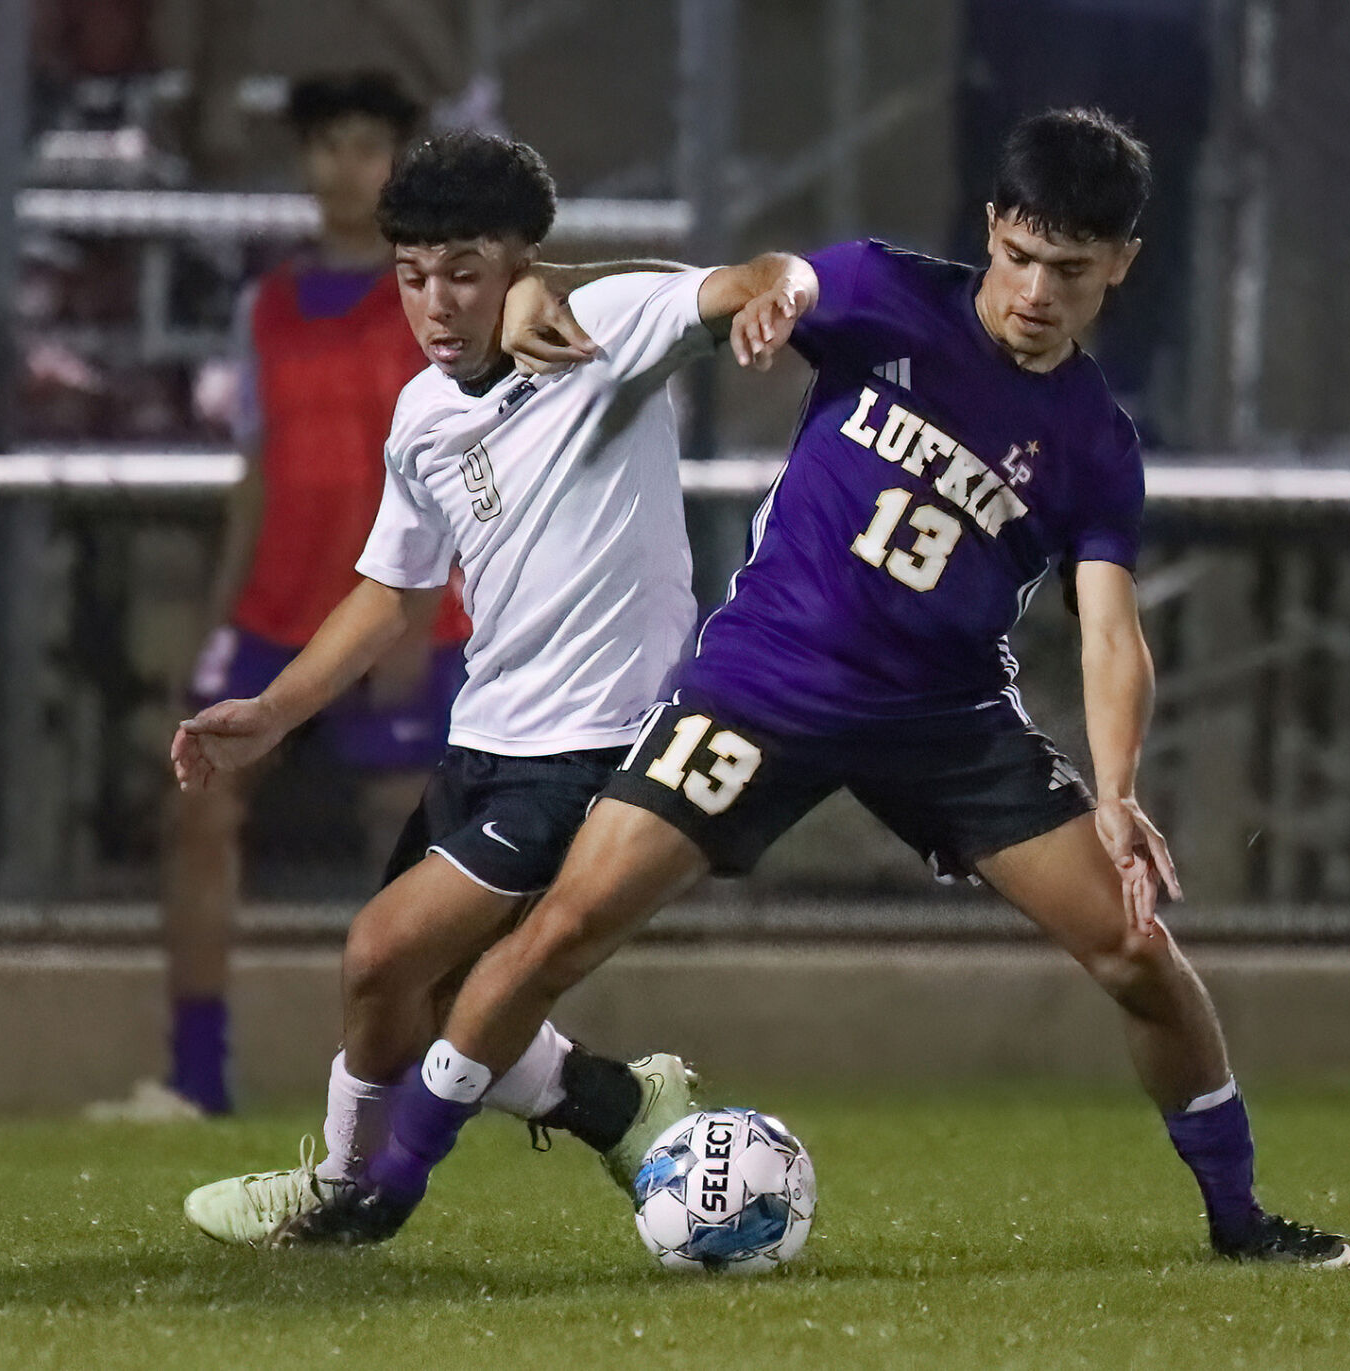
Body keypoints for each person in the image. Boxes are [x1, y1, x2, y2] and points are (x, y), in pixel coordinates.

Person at [296, 108, 1350, 1269]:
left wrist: (1116, 792)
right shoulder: (882, 293)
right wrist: (551, 281)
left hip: (947, 719)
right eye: (1019, 257)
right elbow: (735, 284)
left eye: (1070, 271)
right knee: (560, 928)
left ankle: (1239, 1221)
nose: (1033, 293)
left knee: (1136, 955)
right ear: (992, 229)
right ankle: (390, 1193)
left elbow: (1111, 633)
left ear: (1122, 263)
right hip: (761, 685)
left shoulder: (1096, 443)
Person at [176, 129, 818, 1245]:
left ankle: (344, 1189)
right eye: (413, 275)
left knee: (380, 951)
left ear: (524, 260)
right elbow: (386, 593)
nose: (433, 303)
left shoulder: (604, 329)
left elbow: (741, 282)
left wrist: (771, 292)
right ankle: (624, 1104)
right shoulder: (423, 416)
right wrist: (274, 712)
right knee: (414, 998)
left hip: (597, 744)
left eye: (465, 272)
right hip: (483, 741)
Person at [88, 73, 473, 1123]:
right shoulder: (268, 306)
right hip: (276, 603)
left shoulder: (433, 303)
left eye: (365, 146)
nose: (341, 168)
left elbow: (460, 465)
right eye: (326, 146)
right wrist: (216, 617)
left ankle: (426, 1081)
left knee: (413, 844)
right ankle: (197, 1076)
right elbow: (254, 472)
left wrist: (424, 596)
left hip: (396, 603)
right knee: (200, 810)